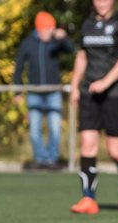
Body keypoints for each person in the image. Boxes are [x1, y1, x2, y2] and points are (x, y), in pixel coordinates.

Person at [68, 0, 118, 214]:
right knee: (87, 144)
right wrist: (74, 85)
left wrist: (106, 82)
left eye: (105, 0)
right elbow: (82, 56)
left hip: (115, 95)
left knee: (115, 151)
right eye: (97, 0)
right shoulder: (88, 24)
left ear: (112, 0)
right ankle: (88, 198)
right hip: (90, 93)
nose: (101, 4)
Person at [13, 10, 73, 170]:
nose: (49, 32)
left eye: (51, 29)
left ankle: (52, 160)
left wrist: (64, 38)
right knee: (35, 129)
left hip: (53, 93)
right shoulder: (28, 44)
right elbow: (18, 67)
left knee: (54, 128)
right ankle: (40, 159)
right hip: (35, 94)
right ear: (39, 29)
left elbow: (71, 50)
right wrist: (17, 91)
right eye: (46, 29)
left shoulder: (55, 42)